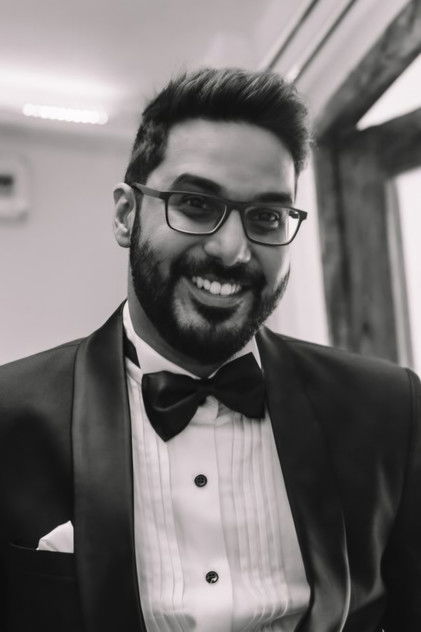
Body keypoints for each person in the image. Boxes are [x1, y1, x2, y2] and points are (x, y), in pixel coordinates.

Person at [0, 68, 420, 632]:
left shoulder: (389, 408)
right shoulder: (9, 417)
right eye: (196, 204)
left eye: (266, 217)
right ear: (126, 215)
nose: (231, 250)